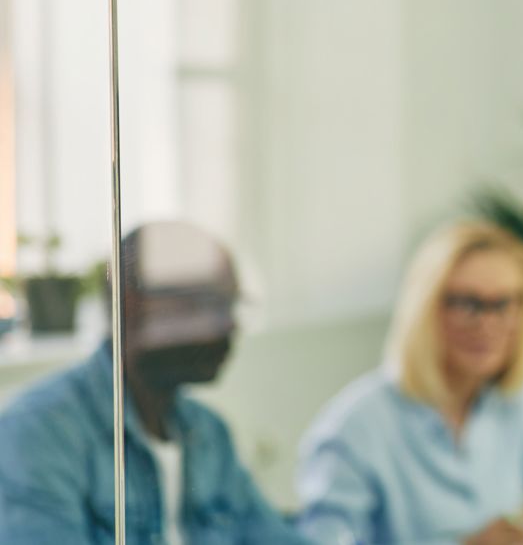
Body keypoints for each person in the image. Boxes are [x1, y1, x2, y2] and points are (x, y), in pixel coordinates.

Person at [295, 220, 523, 545]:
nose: (486, 324)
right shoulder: (356, 424)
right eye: (467, 304)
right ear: (425, 308)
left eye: (504, 304)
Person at [0, 221, 307, 543]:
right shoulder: (39, 435)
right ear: (134, 308)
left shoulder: (207, 433)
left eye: (230, 305)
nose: (229, 325)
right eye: (211, 305)